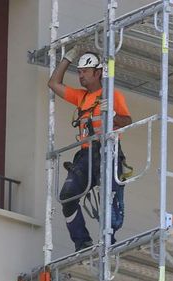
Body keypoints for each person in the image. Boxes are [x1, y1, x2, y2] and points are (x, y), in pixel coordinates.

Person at [48, 50, 132, 252]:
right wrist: (67, 58)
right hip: (86, 155)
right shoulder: (81, 97)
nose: (81, 75)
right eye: (80, 71)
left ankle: (108, 241)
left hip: (108, 151)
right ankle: (82, 242)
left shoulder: (113, 95)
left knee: (109, 197)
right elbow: (53, 83)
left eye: (85, 71)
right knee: (67, 196)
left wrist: (111, 113)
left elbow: (128, 122)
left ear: (98, 73)